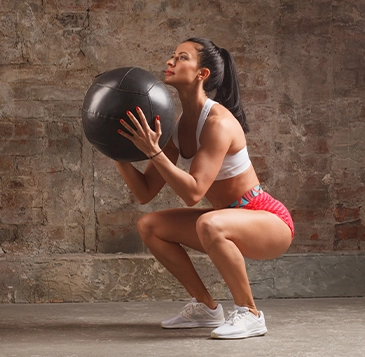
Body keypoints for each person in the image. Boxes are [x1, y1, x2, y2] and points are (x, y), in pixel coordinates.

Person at [115, 37, 294, 339]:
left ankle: (250, 313)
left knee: (209, 222)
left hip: (269, 220)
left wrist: (154, 152)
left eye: (181, 57)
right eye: (172, 56)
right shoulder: (179, 126)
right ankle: (207, 308)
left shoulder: (217, 123)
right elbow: (145, 192)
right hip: (225, 218)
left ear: (202, 74)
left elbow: (193, 193)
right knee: (150, 226)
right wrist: (118, 151)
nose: (170, 61)